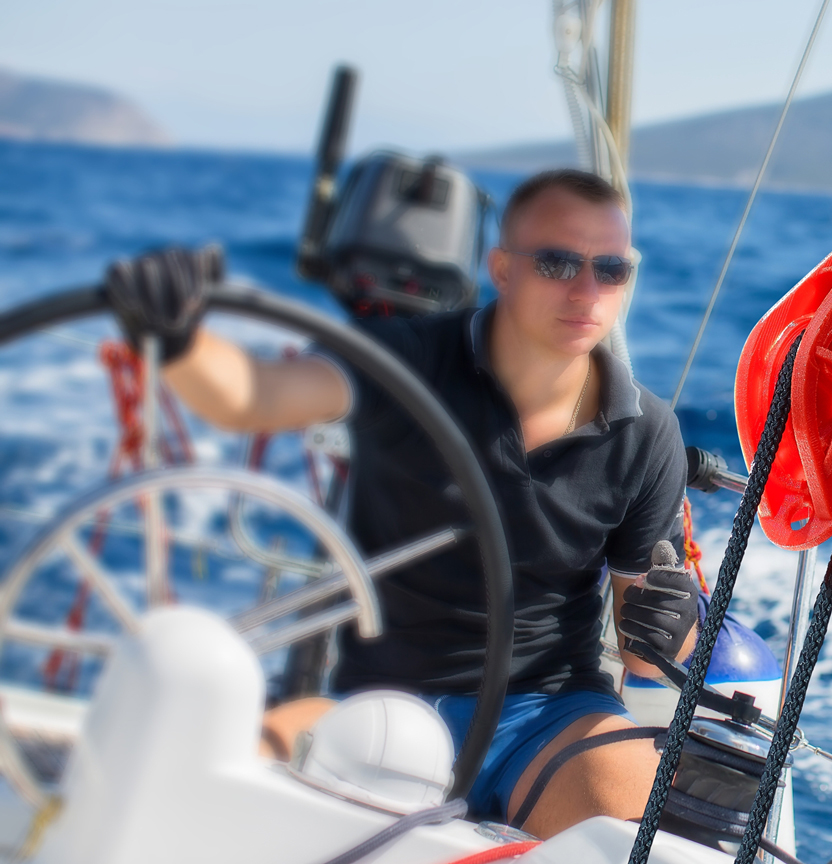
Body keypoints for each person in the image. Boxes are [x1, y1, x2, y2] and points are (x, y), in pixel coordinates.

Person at [103, 169, 698, 838]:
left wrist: (675, 629)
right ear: (501, 268)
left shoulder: (648, 433)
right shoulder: (405, 360)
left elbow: (647, 655)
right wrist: (180, 337)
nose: (587, 291)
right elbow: (255, 396)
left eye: (611, 269)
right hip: (377, 700)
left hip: (546, 712)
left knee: (637, 831)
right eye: (559, 262)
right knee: (209, 788)